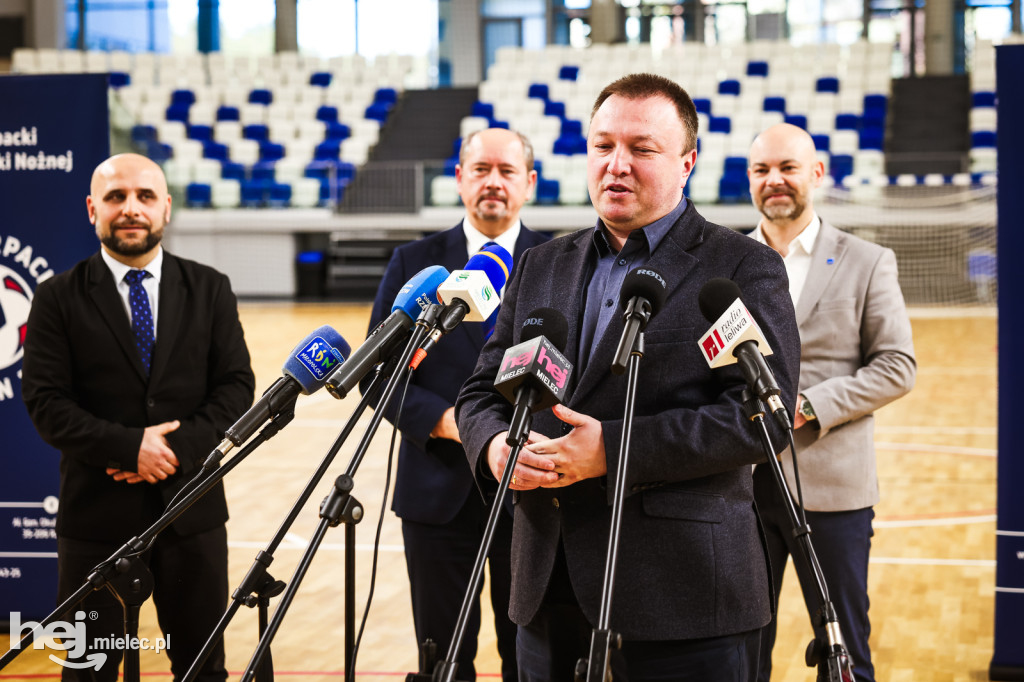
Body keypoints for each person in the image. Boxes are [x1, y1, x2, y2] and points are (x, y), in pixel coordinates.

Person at [454, 73, 801, 681]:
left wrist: (613, 450)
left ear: (687, 162)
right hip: (548, 582)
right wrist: (494, 447)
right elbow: (483, 390)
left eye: (642, 149)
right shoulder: (540, 264)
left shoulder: (741, 266)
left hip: (683, 594)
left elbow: (761, 416)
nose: (617, 165)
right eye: (602, 146)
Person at [21, 153, 256, 682]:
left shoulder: (210, 287)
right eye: (116, 197)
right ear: (92, 209)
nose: (131, 209)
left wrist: (170, 451)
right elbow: (45, 401)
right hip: (95, 521)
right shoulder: (57, 297)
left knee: (201, 669)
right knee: (89, 671)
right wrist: (129, 448)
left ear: (166, 208)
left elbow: (237, 386)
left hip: (191, 512)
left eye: (145, 197)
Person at [365, 128, 549, 681]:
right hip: (437, 490)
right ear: (460, 178)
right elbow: (378, 375)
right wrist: (448, 423)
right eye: (481, 169)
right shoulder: (415, 264)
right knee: (442, 659)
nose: (493, 182)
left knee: (532, 656)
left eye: (507, 171)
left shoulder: (562, 260)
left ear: (529, 183)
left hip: (533, 491)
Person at [746, 123, 916, 682]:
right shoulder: (725, 263)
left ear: (816, 174)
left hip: (833, 489)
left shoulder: (868, 260)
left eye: (787, 168)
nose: (774, 181)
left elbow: (897, 366)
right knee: (741, 648)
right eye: (761, 170)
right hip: (740, 484)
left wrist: (808, 404)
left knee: (844, 649)